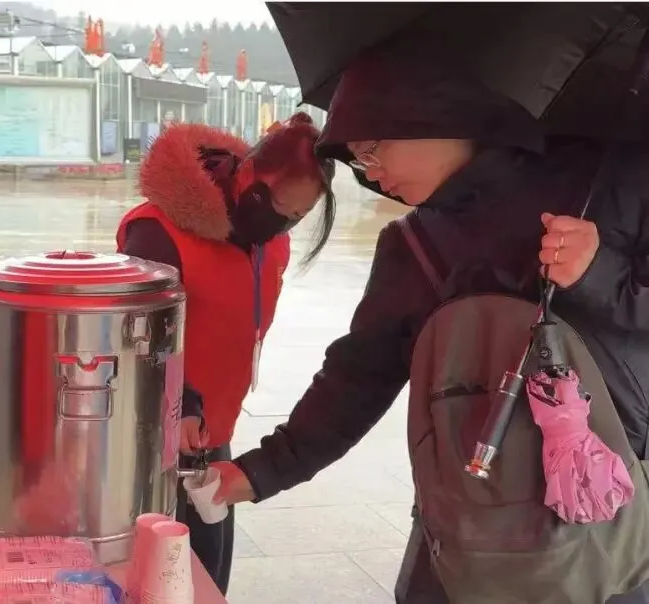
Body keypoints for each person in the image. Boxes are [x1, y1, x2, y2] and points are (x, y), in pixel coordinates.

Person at [210, 47, 649, 603]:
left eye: (373, 149)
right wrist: (259, 472)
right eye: (358, 162)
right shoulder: (412, 245)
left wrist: (600, 275)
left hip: (605, 521)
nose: (371, 172)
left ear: (433, 112)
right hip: (465, 530)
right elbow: (356, 378)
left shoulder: (615, 179)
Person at [116, 114, 335, 594]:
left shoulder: (269, 244)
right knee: (161, 582)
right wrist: (182, 403)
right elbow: (133, 336)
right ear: (249, 176)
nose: (283, 223)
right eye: (280, 206)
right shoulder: (158, 231)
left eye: (298, 216)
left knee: (210, 579)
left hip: (212, 436)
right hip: (152, 435)